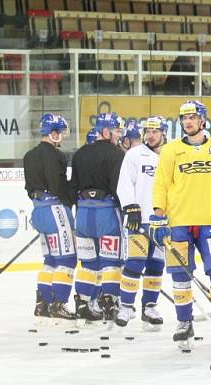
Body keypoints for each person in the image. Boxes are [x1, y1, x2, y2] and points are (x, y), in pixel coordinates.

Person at [150, 100, 211, 349]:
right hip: (179, 222)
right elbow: (161, 186)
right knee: (180, 275)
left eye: (192, 117)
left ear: (203, 120)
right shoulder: (170, 151)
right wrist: (158, 217)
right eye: (184, 118)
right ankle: (184, 323)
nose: (187, 121)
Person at [70, 112, 126, 324]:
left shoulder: (80, 153)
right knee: (111, 262)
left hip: (83, 215)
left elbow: (73, 187)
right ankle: (110, 302)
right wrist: (127, 210)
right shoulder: (117, 154)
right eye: (117, 130)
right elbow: (118, 188)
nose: (119, 135)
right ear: (106, 131)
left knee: (88, 264)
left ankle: (83, 304)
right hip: (107, 214)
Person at [114, 116, 168, 330]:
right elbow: (124, 183)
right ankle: (126, 306)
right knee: (135, 263)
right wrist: (130, 207)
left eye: (155, 131)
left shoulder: (171, 155)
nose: (150, 135)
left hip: (162, 223)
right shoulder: (135, 155)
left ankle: (149, 307)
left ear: (163, 132)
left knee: (156, 266)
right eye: (148, 131)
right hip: (140, 221)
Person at [24, 113, 77, 325]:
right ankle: (59, 304)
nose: (62, 137)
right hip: (56, 209)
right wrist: (71, 199)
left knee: (50, 260)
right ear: (53, 133)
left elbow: (29, 188)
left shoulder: (28, 155)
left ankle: (43, 304)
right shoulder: (58, 156)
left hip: (38, 209)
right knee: (67, 259)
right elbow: (59, 186)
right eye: (60, 133)